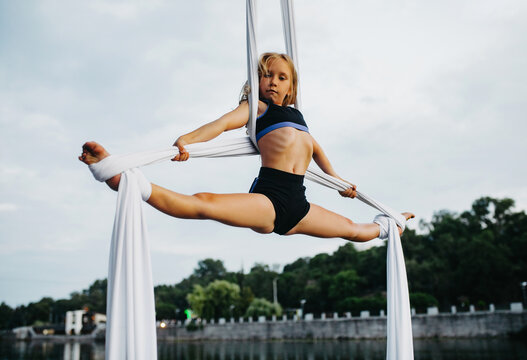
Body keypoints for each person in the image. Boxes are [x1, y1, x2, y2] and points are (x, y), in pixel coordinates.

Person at [79, 52, 413, 241]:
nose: (273, 81)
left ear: (291, 86)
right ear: (256, 81)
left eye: (281, 77)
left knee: (355, 231)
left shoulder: (297, 115)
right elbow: (221, 124)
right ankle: (122, 178)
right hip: (269, 198)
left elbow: (315, 149)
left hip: (300, 205)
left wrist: (338, 181)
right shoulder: (256, 110)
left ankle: (390, 225)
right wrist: (188, 140)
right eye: (266, 75)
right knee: (204, 204)